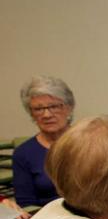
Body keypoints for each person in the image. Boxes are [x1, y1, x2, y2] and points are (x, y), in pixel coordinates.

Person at [13, 75, 75, 207]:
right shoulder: (23, 153)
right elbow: (26, 204)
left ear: (69, 107)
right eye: (38, 109)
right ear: (31, 113)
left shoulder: (90, 143)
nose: (46, 114)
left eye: (54, 106)